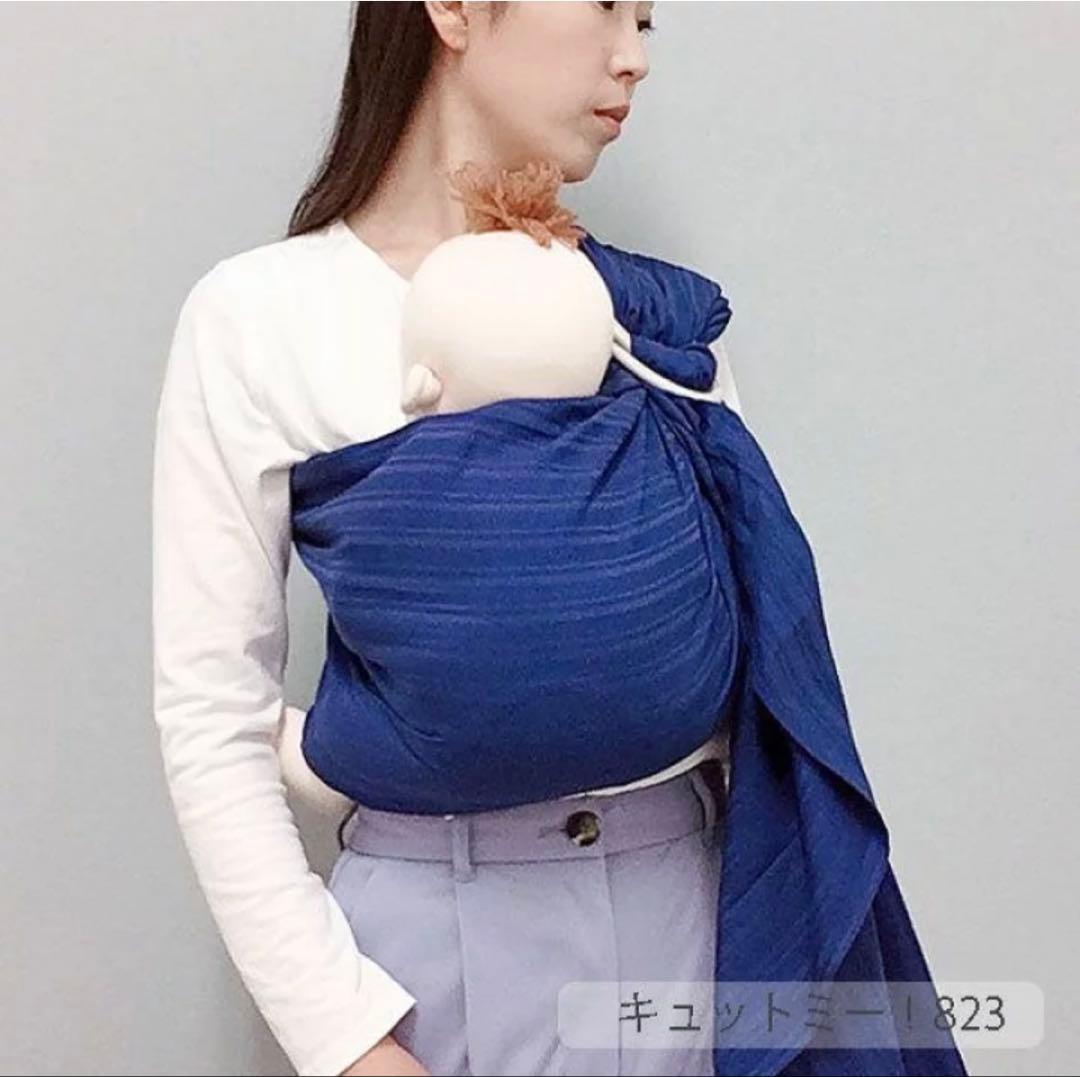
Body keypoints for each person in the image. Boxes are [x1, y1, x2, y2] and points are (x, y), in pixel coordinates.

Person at [153, 3, 735, 1075]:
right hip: (430, 957)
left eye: (649, 21)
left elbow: (746, 655)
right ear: (455, 9)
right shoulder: (262, 317)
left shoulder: (654, 321)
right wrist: (349, 1042)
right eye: (607, 5)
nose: (634, 57)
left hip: (689, 924)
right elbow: (211, 717)